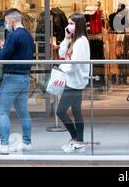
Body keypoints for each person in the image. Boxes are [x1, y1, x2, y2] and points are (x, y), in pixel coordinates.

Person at [0, 8, 35, 154]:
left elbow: (2, 57)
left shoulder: (14, 35)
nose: (5, 24)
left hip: (11, 77)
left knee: (3, 111)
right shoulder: (28, 35)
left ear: (12, 20)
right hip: (24, 77)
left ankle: (4, 145)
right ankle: (27, 142)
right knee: (23, 113)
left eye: (6, 21)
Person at [57, 13, 90, 153]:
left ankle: (76, 138)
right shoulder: (75, 40)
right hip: (74, 80)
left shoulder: (81, 41)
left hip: (74, 82)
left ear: (79, 25)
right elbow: (61, 53)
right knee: (76, 111)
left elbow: (74, 65)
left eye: (72, 23)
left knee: (60, 111)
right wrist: (66, 38)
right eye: (68, 23)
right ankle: (78, 140)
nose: (68, 26)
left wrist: (62, 68)